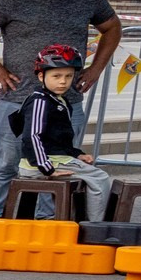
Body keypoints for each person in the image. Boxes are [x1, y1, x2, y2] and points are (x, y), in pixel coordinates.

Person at [0, 0, 122, 211]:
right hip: (18, 101)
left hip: (67, 103)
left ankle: (47, 224)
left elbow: (113, 27)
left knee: (60, 167)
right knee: (5, 167)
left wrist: (96, 68)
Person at [12, 45, 114, 221]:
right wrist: (46, 168)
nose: (63, 82)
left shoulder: (60, 101)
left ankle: (75, 221)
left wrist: (77, 154)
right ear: (41, 76)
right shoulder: (39, 101)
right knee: (100, 178)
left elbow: (59, 140)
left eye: (68, 76)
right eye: (56, 76)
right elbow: (32, 136)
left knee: (89, 175)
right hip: (41, 164)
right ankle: (95, 227)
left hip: (56, 159)